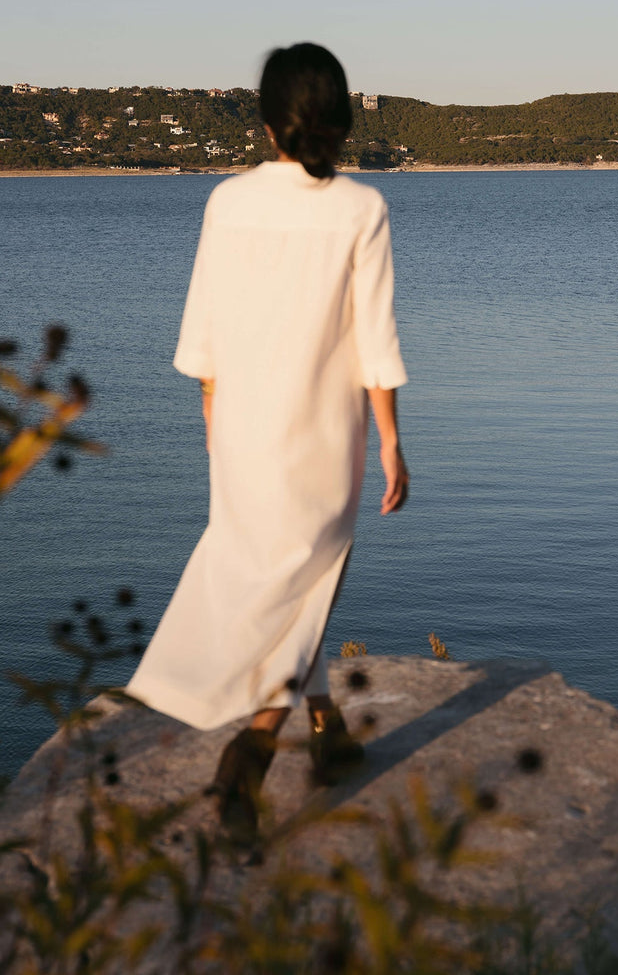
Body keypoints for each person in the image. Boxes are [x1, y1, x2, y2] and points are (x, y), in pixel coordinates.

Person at [127, 43, 408, 846]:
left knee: (286, 583)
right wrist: (391, 444)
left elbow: (205, 337)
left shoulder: (227, 201)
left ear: (267, 121)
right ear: (343, 120)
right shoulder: (359, 210)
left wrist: (214, 424)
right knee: (313, 580)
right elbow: (372, 345)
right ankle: (246, 761)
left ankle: (328, 735)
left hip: (240, 429)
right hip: (322, 433)